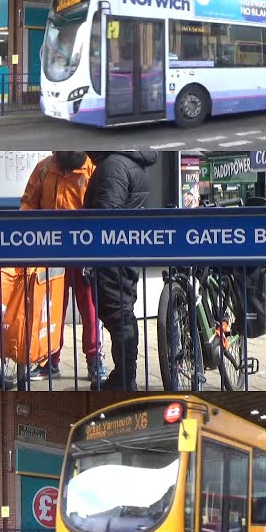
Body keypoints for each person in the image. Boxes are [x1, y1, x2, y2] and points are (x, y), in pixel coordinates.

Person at [21, 151, 108, 384]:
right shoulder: (44, 168)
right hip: (51, 253)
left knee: (90, 307)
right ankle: (49, 361)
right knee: (51, 309)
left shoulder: (92, 169)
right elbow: (28, 203)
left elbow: (101, 207)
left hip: (84, 253)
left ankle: (94, 359)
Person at [84, 151, 158, 391]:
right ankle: (124, 376)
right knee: (122, 314)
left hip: (111, 258)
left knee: (119, 316)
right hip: (124, 256)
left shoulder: (113, 167)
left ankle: (124, 380)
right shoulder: (127, 163)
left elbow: (106, 221)